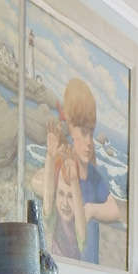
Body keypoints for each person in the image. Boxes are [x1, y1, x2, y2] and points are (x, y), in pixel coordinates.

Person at [54, 78, 122, 264]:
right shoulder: (63, 167)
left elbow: (115, 210)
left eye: (91, 134)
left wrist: (91, 209)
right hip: (65, 261)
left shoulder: (94, 176)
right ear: (71, 131)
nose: (90, 142)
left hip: (89, 266)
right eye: (84, 134)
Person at [43, 147, 86, 260]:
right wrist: (50, 156)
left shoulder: (79, 228)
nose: (65, 203)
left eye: (71, 196)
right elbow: (48, 194)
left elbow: (81, 227)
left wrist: (74, 180)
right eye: (61, 193)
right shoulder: (52, 218)